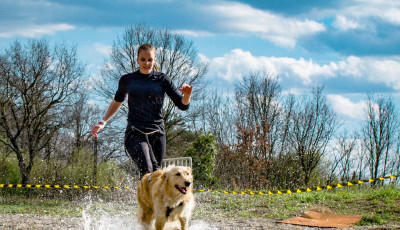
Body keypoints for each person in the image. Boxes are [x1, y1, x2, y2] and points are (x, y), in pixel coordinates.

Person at [91, 43, 193, 178]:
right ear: (137, 60)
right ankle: (147, 196)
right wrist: (103, 122)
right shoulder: (127, 80)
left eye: (150, 59)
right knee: (147, 170)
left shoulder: (162, 80)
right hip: (135, 132)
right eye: (143, 59)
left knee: (157, 173)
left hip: (157, 132)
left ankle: (152, 198)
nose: (146, 63)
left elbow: (182, 105)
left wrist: (187, 95)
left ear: (154, 60)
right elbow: (117, 101)